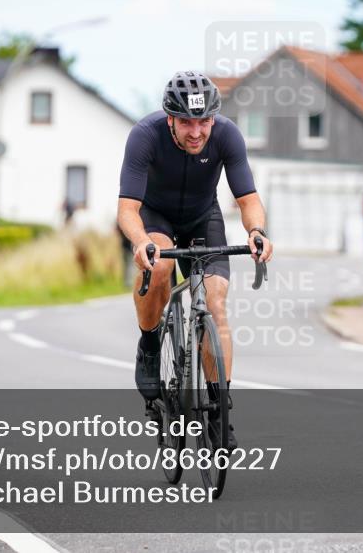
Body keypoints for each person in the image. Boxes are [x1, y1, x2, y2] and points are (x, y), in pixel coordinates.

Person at [117, 71, 273, 450]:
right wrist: (140, 242)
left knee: (215, 303)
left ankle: (219, 413)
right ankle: (150, 342)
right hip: (156, 218)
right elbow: (127, 209)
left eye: (203, 121)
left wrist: (256, 233)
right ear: (169, 117)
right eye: (186, 121)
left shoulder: (227, 135)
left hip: (204, 217)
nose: (196, 131)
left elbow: (248, 199)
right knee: (161, 267)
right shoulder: (145, 135)